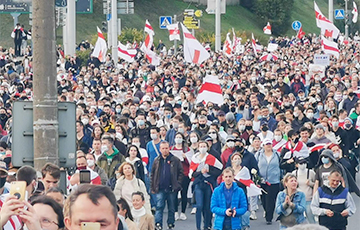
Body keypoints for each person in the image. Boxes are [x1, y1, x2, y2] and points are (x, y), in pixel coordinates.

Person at [189, 141, 223, 230]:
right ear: (198, 148)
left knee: (207, 206)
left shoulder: (211, 158)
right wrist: (200, 172)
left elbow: (220, 168)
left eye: (204, 146)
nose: (202, 148)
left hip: (208, 184)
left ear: (207, 148)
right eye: (201, 146)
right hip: (198, 184)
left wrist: (210, 172)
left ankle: (207, 225)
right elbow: (192, 173)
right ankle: (198, 227)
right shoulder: (195, 158)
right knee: (199, 206)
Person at [151, 141, 183, 230]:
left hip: (171, 188)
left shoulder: (175, 160)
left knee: (171, 207)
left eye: (166, 148)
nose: (165, 150)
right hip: (160, 187)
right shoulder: (157, 160)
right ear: (160, 149)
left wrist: (178, 184)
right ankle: (158, 224)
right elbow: (152, 174)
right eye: (163, 148)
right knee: (159, 206)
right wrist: (153, 186)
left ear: (169, 148)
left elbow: (181, 172)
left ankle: (170, 223)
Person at [255, 138, 281, 225]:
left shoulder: (277, 154)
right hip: (262, 180)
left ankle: (269, 217)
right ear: (263, 146)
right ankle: (267, 211)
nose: (269, 145)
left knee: (271, 199)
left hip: (274, 181)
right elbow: (255, 166)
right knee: (264, 199)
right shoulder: (258, 154)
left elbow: (280, 166)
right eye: (267, 144)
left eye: (270, 144)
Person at [170, 132, 193, 221]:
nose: (178, 139)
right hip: (174, 174)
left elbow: (191, 162)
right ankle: (175, 212)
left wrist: (185, 157)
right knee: (174, 193)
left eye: (180, 137)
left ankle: (183, 212)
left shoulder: (187, 149)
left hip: (185, 174)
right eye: (177, 137)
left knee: (184, 193)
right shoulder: (172, 148)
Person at [292, 158, 315, 224]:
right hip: (298, 199)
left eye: (305, 163)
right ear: (297, 165)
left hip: (308, 198)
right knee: (297, 219)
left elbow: (316, 184)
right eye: (301, 163)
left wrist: (310, 183)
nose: (303, 165)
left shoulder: (311, 172)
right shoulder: (294, 173)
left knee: (310, 217)